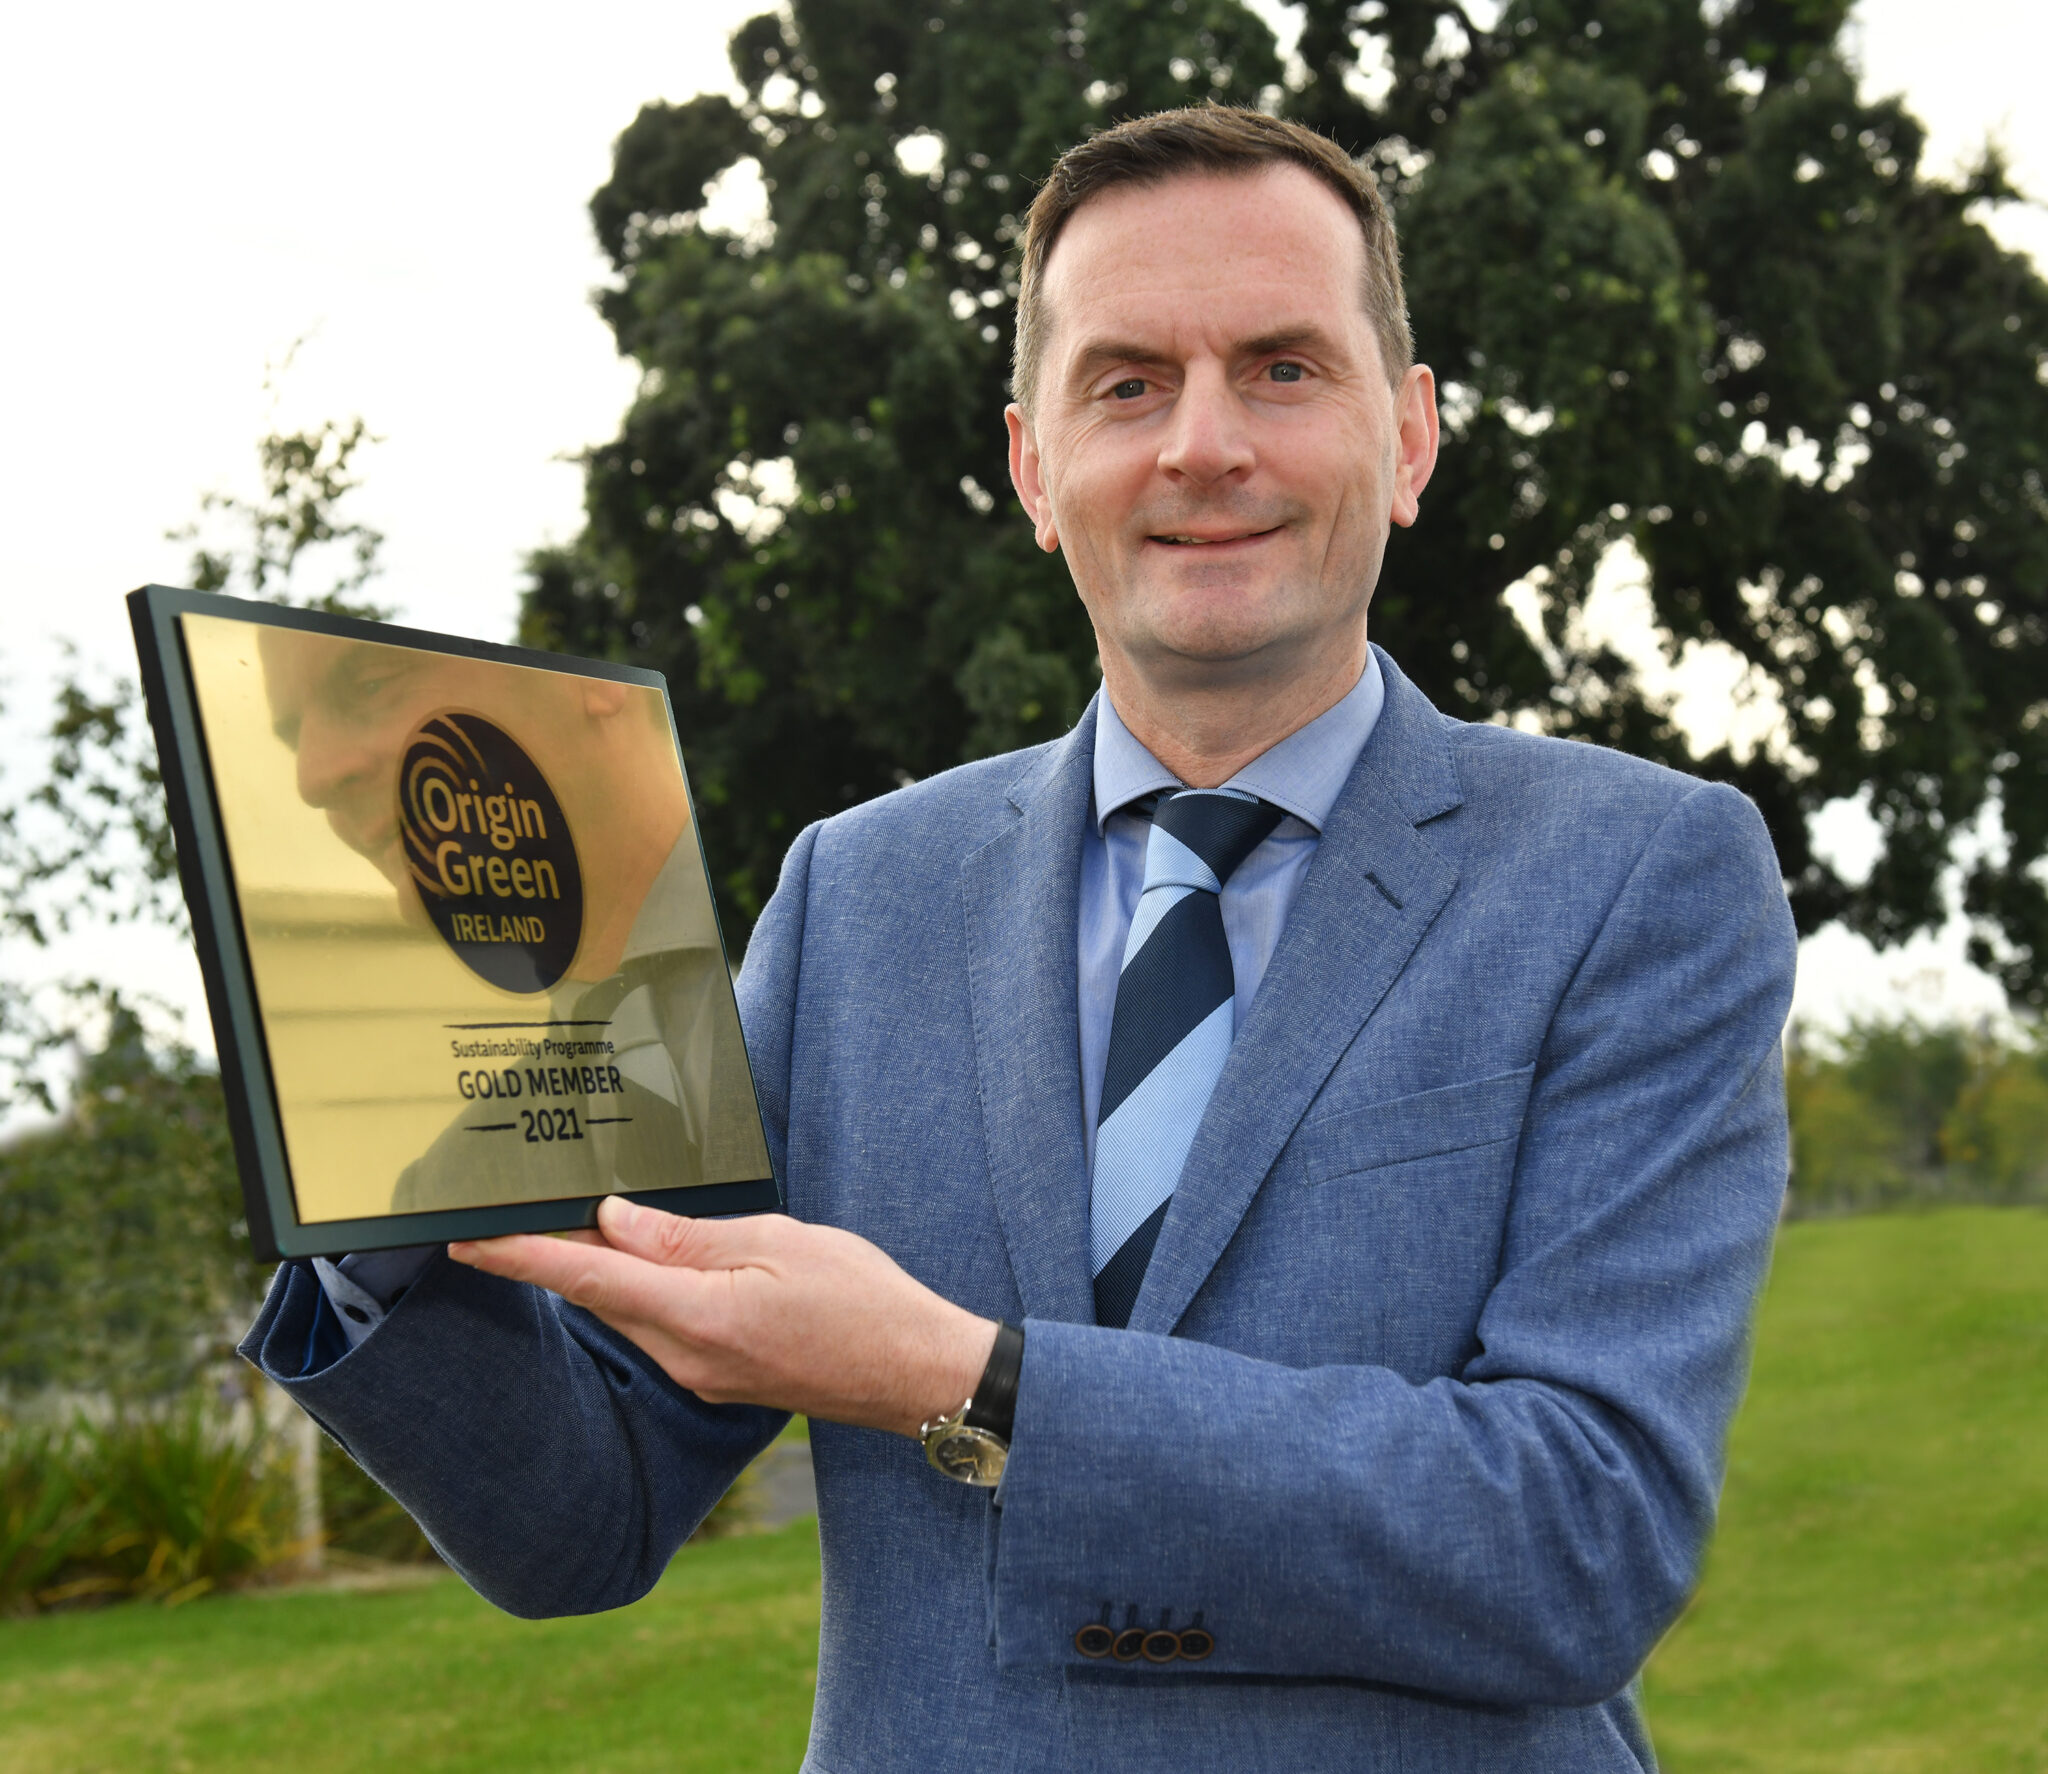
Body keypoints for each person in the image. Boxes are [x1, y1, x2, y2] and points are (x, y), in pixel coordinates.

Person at [242, 106, 1795, 1770]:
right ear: (1035, 465)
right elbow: (586, 1513)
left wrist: (961, 1378)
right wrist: (386, 1208)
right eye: (1127, 382)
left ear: (1409, 438)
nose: (1204, 443)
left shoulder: (1644, 874)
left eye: (1283, 367)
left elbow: (1583, 1535)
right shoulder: (853, 895)